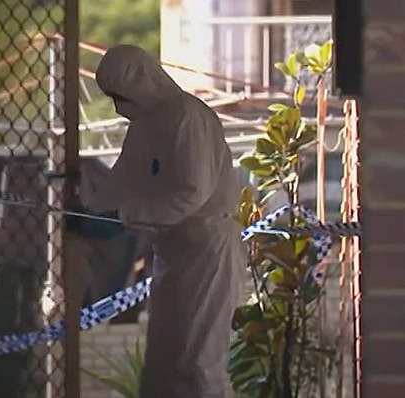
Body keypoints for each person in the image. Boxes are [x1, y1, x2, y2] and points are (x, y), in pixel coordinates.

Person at [82, 44, 247, 398]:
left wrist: (124, 217)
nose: (118, 107)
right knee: (165, 363)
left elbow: (191, 192)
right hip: (173, 254)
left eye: (121, 96)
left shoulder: (188, 116)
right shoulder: (144, 125)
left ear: (142, 81)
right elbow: (122, 184)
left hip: (207, 252)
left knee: (198, 362)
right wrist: (86, 209)